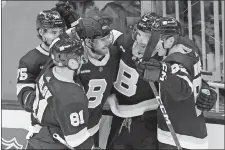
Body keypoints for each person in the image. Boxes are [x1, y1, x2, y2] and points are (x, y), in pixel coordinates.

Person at [135, 16, 214, 149]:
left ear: (170, 40)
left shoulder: (174, 59)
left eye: (153, 39)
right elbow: (192, 77)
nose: (149, 44)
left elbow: (183, 88)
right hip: (194, 132)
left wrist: (162, 73)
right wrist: (206, 89)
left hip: (177, 137)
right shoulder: (188, 47)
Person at [26, 35, 94, 149]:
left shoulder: (48, 70)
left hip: (37, 138)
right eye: (80, 57)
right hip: (53, 144)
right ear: (72, 63)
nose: (83, 59)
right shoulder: (72, 98)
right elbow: (77, 142)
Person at [16, 10, 66, 113]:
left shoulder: (70, 54)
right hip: (43, 124)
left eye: (61, 32)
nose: (59, 37)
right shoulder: (29, 61)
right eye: (53, 32)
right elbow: (24, 97)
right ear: (41, 32)